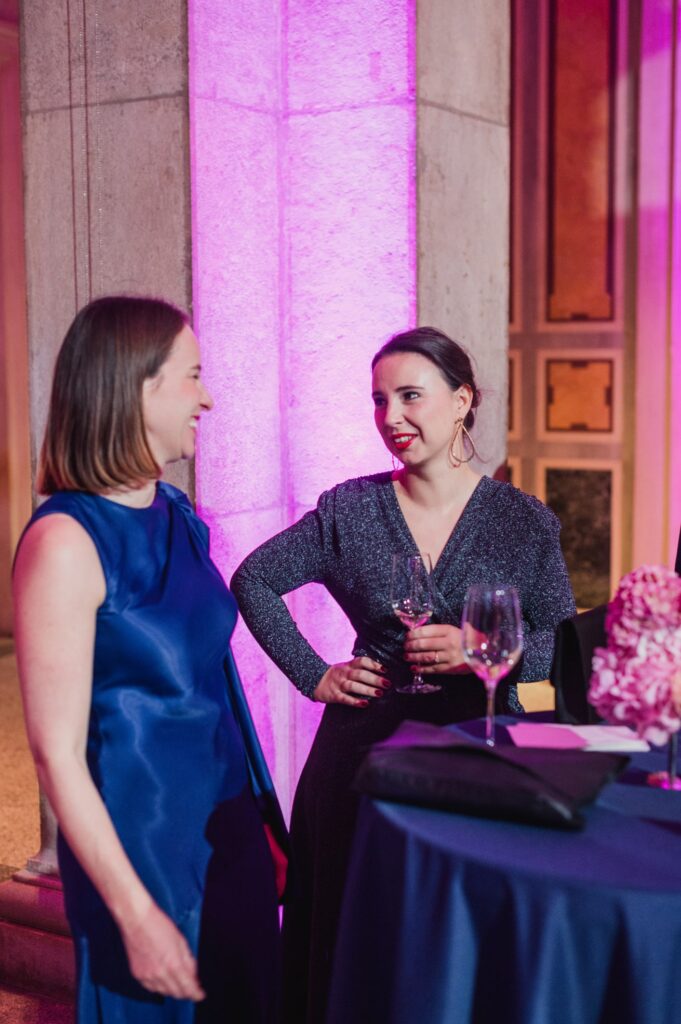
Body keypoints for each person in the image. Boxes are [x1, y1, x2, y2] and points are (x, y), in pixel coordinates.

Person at [231, 326, 576, 1024]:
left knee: (448, 955)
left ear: (462, 400)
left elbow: (562, 645)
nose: (391, 416)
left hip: (476, 757)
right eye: (379, 399)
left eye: (410, 396)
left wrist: (488, 649)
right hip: (359, 764)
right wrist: (313, 675)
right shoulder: (349, 510)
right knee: (351, 947)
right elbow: (253, 579)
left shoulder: (523, 522)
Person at [12, 296, 285, 1023]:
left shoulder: (176, 512)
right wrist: (133, 915)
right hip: (142, 854)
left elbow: (215, 686)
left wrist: (260, 822)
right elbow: (56, 756)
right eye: (191, 375)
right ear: (135, 385)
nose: (207, 397)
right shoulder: (65, 544)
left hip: (228, 832)